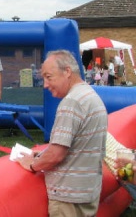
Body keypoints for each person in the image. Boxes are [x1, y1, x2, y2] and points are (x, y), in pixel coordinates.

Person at [16, 50, 107, 216]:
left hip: (68, 197)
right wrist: (43, 154)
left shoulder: (71, 102)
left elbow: (57, 155)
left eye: (49, 77)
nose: (45, 84)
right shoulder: (90, 95)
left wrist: (31, 164)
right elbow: (79, 145)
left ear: (67, 71)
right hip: (87, 191)